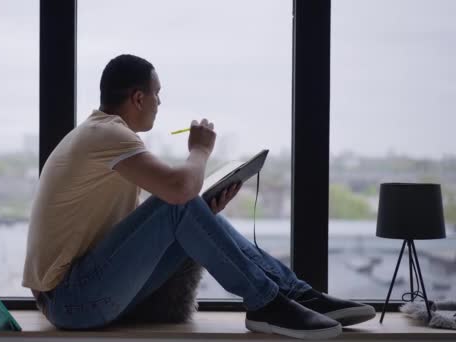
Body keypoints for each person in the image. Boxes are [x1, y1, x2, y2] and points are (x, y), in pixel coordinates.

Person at [22, 54, 376, 339]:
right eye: (157, 94)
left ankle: (295, 293)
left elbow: (164, 209)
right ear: (138, 98)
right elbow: (178, 190)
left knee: (184, 206)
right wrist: (200, 150)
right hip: (72, 301)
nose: (159, 103)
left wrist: (201, 211)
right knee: (179, 202)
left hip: (82, 295)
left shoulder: (102, 135)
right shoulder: (107, 134)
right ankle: (267, 301)